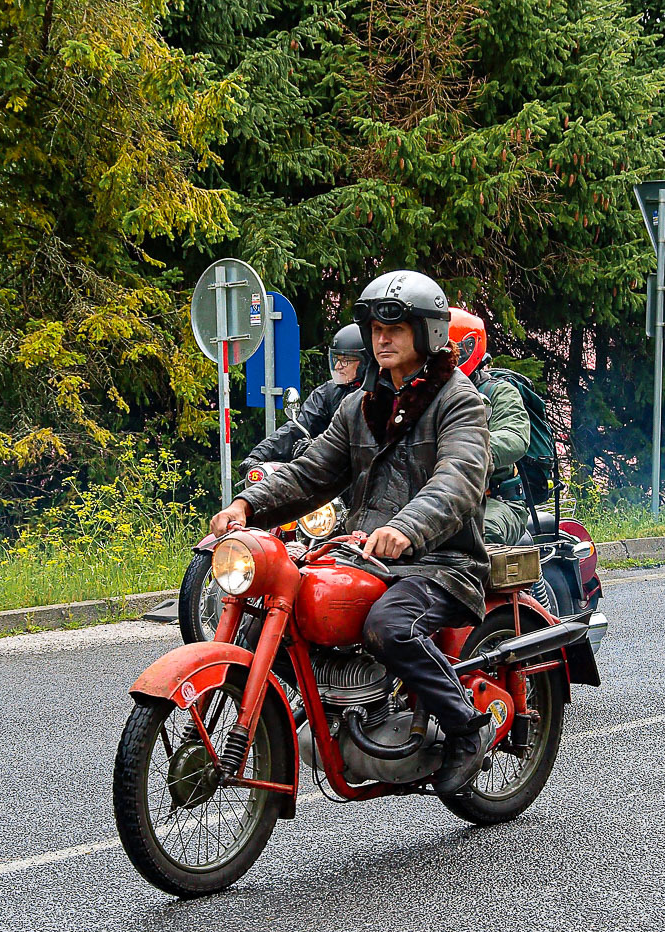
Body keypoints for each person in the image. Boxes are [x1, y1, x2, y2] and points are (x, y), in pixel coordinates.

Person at [209, 270, 494, 796]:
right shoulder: (360, 406)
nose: (382, 339)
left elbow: (458, 478)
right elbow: (310, 472)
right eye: (375, 329)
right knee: (264, 621)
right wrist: (248, 504)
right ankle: (333, 706)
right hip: (365, 555)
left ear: (428, 332)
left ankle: (466, 729)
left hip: (442, 562)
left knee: (389, 627)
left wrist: (406, 528)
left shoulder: (459, 401)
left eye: (396, 328)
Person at [450, 308, 532, 546]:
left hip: (495, 499)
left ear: (471, 348)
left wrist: (467, 452)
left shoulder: (499, 392)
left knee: (481, 534)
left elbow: (515, 436)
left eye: (455, 350)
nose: (450, 358)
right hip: (438, 499)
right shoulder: (425, 392)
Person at [240, 325, 365, 470]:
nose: (337, 366)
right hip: (333, 475)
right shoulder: (329, 392)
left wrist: (317, 446)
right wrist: (259, 455)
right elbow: (299, 425)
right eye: (336, 359)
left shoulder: (378, 393)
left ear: (365, 362)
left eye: (345, 360)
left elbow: (358, 437)